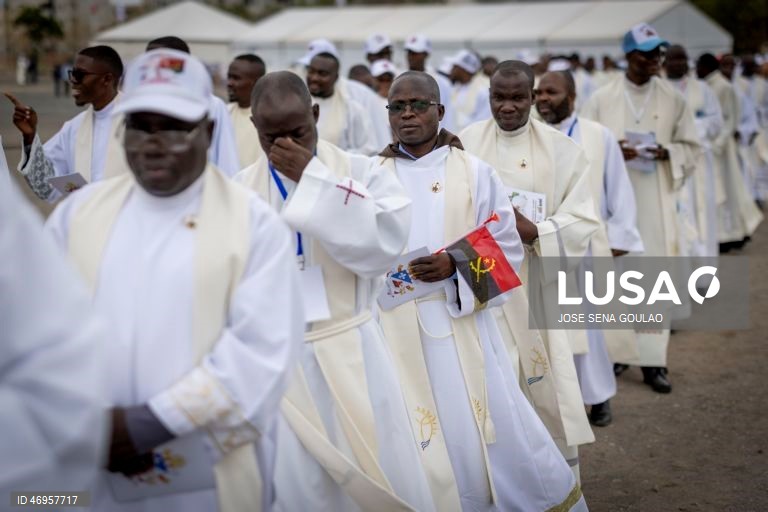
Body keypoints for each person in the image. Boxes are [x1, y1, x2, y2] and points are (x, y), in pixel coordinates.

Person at [45, 49, 303, 511]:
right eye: (141, 125)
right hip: (87, 457)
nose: (153, 142)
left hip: (206, 474)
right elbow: (36, 326)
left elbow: (260, 352)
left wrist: (146, 425)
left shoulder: (254, 226)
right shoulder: (78, 216)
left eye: (173, 127)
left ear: (206, 130)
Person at [377, 70, 587, 512]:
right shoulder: (370, 174)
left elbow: (508, 247)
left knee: (479, 424)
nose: (408, 114)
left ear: (440, 111)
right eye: (398, 106)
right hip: (395, 328)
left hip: (463, 323)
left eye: (418, 105)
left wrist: (453, 264)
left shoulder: (474, 171)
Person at [236, 71, 434, 512]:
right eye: (272, 136)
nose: (285, 145)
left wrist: (315, 180)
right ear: (253, 127)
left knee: (376, 466)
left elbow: (386, 244)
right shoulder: (236, 192)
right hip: (280, 361)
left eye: (298, 132)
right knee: (299, 482)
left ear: (316, 114)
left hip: (353, 346)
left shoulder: (362, 172)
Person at [461, 60, 598, 478]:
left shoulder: (562, 149)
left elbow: (584, 218)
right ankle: (501, 483)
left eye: (518, 97)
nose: (507, 107)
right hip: (483, 278)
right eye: (498, 98)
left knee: (542, 379)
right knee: (491, 379)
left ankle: (556, 484)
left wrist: (535, 230)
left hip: (537, 280)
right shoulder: (464, 143)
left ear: (533, 95)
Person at [583, 23, 702, 393]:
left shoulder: (673, 98)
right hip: (614, 200)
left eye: (658, 53)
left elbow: (692, 146)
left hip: (654, 196)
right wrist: (611, 150)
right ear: (629, 56)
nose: (655, 60)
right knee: (617, 279)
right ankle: (618, 352)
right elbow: (581, 146)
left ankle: (653, 361)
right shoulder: (602, 97)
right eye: (648, 53)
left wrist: (666, 151)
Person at [535, 69, 644, 427]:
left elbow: (619, 189)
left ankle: (597, 397)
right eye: (539, 93)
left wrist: (621, 236)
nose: (542, 98)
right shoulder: (529, 134)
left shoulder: (599, 136)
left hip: (586, 245)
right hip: (541, 243)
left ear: (572, 95)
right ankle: (553, 400)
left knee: (589, 328)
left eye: (551, 92)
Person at [0, 145, 106, 498]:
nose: (74, 85)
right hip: (88, 258)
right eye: (72, 82)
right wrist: (31, 143)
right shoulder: (78, 128)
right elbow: (46, 187)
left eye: (78, 81)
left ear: (108, 83)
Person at [5, 45, 126, 202]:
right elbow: (47, 188)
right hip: (88, 221)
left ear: (107, 79)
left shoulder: (140, 121)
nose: (73, 81)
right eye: (72, 73)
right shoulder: (75, 128)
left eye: (79, 75)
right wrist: (29, 137)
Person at [146, 36, 241, 177]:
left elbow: (227, 161)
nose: (152, 66)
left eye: (160, 61)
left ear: (181, 63)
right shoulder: (141, 105)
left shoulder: (212, 105)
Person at [696, 53, 763, 252]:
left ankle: (732, 233)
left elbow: (731, 120)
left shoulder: (724, 87)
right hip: (708, 149)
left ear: (706, 66)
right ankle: (718, 234)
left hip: (723, 151)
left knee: (728, 191)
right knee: (713, 191)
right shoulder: (705, 86)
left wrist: (717, 143)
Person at [664, 45, 723, 262]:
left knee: (701, 215)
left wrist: (691, 128)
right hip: (670, 164)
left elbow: (716, 122)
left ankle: (704, 276)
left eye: (682, 59)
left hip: (699, 163)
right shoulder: (658, 90)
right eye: (673, 59)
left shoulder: (703, 89)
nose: (678, 63)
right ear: (664, 62)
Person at [306, 51, 377, 155]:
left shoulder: (352, 110)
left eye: (322, 74)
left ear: (336, 77)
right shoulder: (296, 105)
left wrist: (336, 157)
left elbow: (369, 149)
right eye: (311, 71)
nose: (314, 78)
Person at [404, 34, 455, 132]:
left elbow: (448, 114)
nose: (411, 56)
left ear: (426, 54)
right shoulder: (398, 80)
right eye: (409, 52)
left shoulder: (441, 82)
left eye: (415, 53)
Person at [226, 53, 266, 167]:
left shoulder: (269, 118)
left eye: (236, 78)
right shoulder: (224, 113)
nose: (229, 83)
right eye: (229, 77)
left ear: (257, 82)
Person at [450, 49, 492, 131]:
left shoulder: (484, 89)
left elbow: (484, 121)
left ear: (464, 69)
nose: (451, 69)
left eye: (455, 66)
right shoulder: (457, 88)